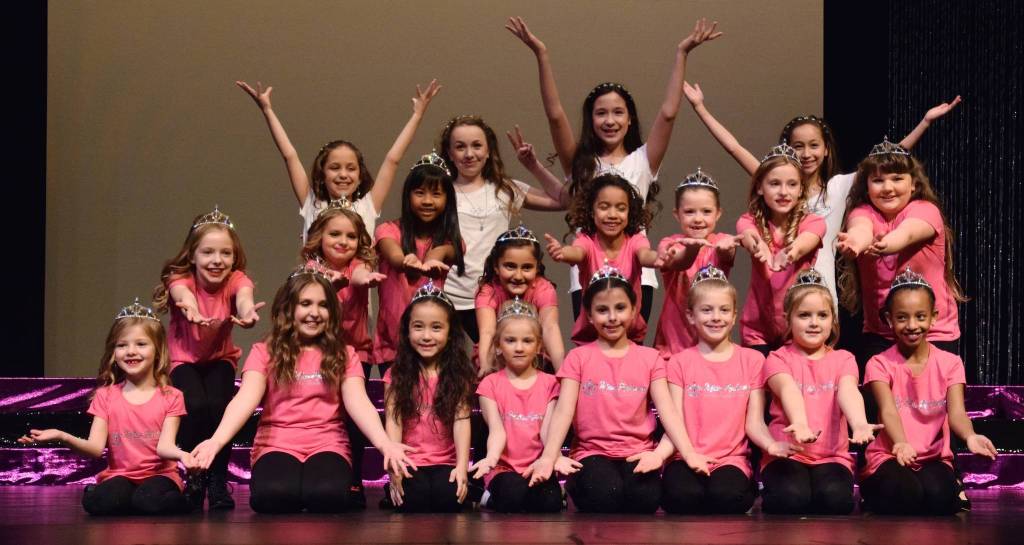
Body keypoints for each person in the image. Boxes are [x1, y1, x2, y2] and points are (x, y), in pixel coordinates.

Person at [506, 16, 722, 322]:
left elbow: (669, 113)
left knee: (631, 359)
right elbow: (555, 116)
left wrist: (681, 53)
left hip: (637, 276)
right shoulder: (581, 163)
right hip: (586, 276)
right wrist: (542, 55)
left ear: (630, 119)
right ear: (591, 120)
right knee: (592, 360)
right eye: (601, 113)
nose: (610, 120)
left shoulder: (643, 162)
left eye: (618, 112)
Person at [191, 266, 413, 513]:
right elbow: (244, 399)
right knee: (274, 497)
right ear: (289, 308)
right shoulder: (265, 352)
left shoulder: (344, 354)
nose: (314, 313)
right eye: (305, 303)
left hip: (327, 443)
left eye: (322, 305)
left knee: (327, 496)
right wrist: (216, 441)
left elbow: (359, 403)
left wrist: (385, 444)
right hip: (277, 443)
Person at [20, 299, 196, 515]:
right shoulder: (106, 396)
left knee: (150, 501)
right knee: (100, 503)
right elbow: (95, 448)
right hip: (120, 474)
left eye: (141, 344)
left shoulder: (171, 396)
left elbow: (164, 447)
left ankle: (183, 498)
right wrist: (61, 435)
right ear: (114, 352)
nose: (131, 351)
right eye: (122, 345)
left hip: (159, 476)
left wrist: (184, 456)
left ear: (158, 350)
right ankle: (128, 498)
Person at [860, 269, 996, 515]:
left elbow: (957, 413)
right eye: (902, 318)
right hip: (892, 454)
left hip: (932, 458)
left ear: (933, 318)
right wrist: (901, 443)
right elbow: (888, 410)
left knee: (941, 500)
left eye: (920, 317)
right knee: (907, 494)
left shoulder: (950, 363)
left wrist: (970, 436)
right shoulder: (879, 363)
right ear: (890, 320)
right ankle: (872, 492)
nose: (912, 325)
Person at [152, 206, 263, 509]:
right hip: (182, 359)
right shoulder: (181, 277)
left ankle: (216, 479)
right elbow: (181, 295)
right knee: (195, 406)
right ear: (192, 255)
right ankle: (194, 475)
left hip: (219, 358)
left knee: (218, 407)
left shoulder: (236, 279)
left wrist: (248, 313)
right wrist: (189, 307)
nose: (217, 261)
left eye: (225, 254)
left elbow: (244, 297)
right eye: (208, 253)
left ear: (234, 257)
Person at [235, 79, 441, 239]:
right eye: (335, 167)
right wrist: (267, 110)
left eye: (351, 168)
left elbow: (392, 159)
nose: (343, 174)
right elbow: (289, 155)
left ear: (360, 176)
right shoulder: (313, 205)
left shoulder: (366, 207)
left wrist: (417, 115)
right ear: (322, 174)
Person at [756, 269, 882, 515]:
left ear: (832, 320)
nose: (814, 323)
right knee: (790, 500)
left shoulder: (843, 359)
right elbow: (788, 389)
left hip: (831, 456)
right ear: (788, 319)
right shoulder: (777, 358)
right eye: (804, 315)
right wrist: (800, 424)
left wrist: (859, 423)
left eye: (822, 315)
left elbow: (848, 391)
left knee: (835, 502)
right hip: (789, 454)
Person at [382, 282, 476, 513]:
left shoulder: (459, 374)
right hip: (411, 461)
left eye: (436, 328)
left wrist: (462, 467)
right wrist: (395, 468)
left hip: (445, 462)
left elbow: (461, 422)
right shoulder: (396, 374)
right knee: (413, 500)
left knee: (449, 500)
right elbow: (394, 422)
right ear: (407, 330)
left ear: (450, 332)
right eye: (418, 327)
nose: (426, 336)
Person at [472, 299, 568, 513]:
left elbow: (547, 430)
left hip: (538, 464)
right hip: (503, 467)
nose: (519, 347)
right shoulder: (490, 384)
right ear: (498, 346)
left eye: (527, 341)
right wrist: (491, 459)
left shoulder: (550, 383)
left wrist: (555, 457)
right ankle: (490, 494)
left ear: (539, 346)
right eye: (510, 340)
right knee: (512, 497)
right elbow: (497, 430)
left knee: (549, 503)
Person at [544, 174, 658, 346]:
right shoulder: (587, 240)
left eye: (621, 208)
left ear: (630, 212)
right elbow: (577, 252)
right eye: (604, 207)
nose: (612, 214)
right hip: (592, 337)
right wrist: (562, 252)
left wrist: (662, 257)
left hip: (629, 337)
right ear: (592, 211)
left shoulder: (635, 240)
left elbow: (646, 256)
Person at [736, 145, 825, 355]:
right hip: (757, 328)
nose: (784, 192)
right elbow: (749, 235)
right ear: (760, 187)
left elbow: (807, 240)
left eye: (792, 184)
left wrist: (790, 252)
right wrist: (761, 250)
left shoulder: (813, 221)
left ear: (801, 189)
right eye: (774, 184)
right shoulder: (749, 221)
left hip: (798, 327)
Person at [653, 169, 738, 358]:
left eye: (706, 211)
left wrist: (727, 250)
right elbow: (678, 262)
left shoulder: (722, 241)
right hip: (675, 338)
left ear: (718, 214)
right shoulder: (671, 243)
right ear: (677, 214)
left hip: (711, 334)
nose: (698, 219)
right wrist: (691, 250)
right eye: (689, 212)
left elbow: (728, 253)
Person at [475, 225, 564, 375]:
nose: (518, 276)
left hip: (533, 359)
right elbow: (488, 331)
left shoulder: (543, 289)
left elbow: (550, 328)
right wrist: (485, 367)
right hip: (498, 357)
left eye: (527, 267)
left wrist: (563, 373)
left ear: (537, 268)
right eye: (510, 266)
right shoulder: (488, 291)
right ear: (496, 266)